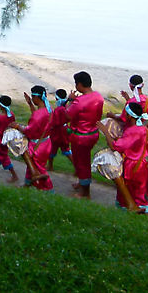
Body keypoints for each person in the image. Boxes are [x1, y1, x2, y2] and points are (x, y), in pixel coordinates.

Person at [100, 101, 148, 213]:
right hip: (142, 163)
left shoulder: (132, 131)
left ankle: (133, 208)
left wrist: (105, 131)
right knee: (140, 191)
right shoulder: (143, 129)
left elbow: (114, 147)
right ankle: (142, 208)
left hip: (132, 164)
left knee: (129, 187)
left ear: (129, 116)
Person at [65, 70, 104, 199]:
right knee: (83, 161)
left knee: (82, 163)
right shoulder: (98, 96)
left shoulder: (79, 101)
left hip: (81, 136)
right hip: (93, 133)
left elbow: (68, 115)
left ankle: (85, 192)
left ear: (79, 84)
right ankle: (82, 183)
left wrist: (70, 100)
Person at [10, 86, 54, 191]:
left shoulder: (38, 115)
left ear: (36, 97)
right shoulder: (49, 109)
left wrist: (17, 126)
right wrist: (30, 104)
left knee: (39, 168)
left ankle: (49, 189)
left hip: (37, 146)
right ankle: (28, 183)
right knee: (32, 165)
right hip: (46, 142)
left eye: (32, 97)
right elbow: (37, 116)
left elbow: (29, 131)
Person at [47, 88, 72, 170]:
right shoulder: (67, 107)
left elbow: (55, 122)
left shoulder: (58, 109)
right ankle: (77, 168)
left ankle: (50, 166)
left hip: (57, 133)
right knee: (66, 149)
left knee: (52, 149)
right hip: (65, 131)